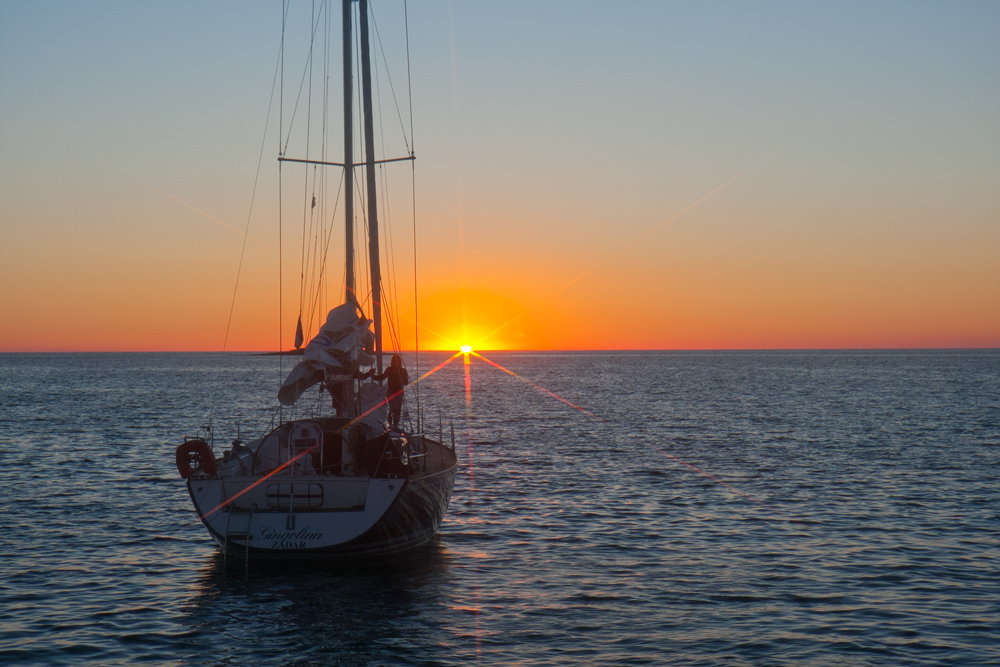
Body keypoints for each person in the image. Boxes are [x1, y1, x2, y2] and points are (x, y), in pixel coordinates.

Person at [374, 354, 409, 430]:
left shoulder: (403, 371)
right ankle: (390, 423)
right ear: (392, 362)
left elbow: (406, 382)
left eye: (397, 362)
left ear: (399, 362)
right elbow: (382, 377)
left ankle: (395, 426)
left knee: (398, 410)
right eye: (394, 362)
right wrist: (372, 376)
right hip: (390, 392)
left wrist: (402, 380)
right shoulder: (389, 370)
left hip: (399, 392)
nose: (396, 363)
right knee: (394, 407)